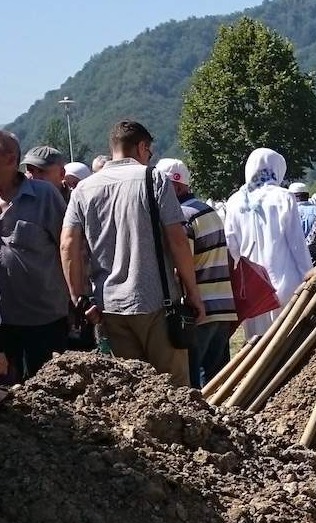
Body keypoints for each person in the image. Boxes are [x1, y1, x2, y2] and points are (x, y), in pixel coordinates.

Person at [61, 120, 204, 387]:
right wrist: (193, 293)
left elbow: (68, 243)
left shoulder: (84, 188)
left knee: (130, 392)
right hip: (156, 304)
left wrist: (79, 297)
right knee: (174, 390)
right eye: (148, 152)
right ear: (142, 146)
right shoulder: (154, 179)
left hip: (110, 307)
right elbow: (178, 241)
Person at [155, 158, 234, 389]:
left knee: (195, 378)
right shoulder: (207, 211)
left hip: (199, 309)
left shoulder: (182, 216)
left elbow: (182, 263)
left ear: (176, 187)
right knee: (218, 377)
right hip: (221, 305)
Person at [0, 130, 70, 382]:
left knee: (48, 391)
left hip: (44, 318)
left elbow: (69, 248)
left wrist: (77, 297)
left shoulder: (44, 195)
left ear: (9, 159)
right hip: (3, 320)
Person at [225, 148, 310, 337]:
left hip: (254, 288)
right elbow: (297, 245)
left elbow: (232, 248)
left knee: (256, 345)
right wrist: (309, 276)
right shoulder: (284, 197)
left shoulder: (234, 201)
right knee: (286, 342)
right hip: (285, 283)